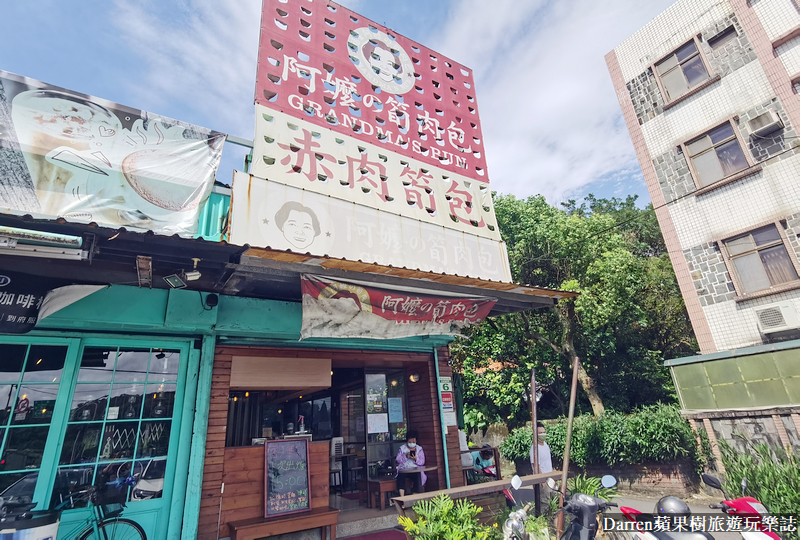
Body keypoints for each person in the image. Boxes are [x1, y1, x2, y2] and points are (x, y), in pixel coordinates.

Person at [530, 422, 553, 510]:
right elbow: (536, 466)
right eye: (540, 433)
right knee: (544, 503)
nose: (543, 434)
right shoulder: (534, 448)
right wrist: (542, 481)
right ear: (535, 434)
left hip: (550, 479)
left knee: (552, 502)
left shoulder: (546, 445)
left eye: (544, 432)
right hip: (543, 481)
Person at [396, 429, 426, 494]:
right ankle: (402, 497)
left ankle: (414, 495)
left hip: (415, 469)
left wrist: (416, 459)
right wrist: (405, 456)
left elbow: (422, 461)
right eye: (411, 439)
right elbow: (398, 459)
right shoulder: (402, 448)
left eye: (414, 440)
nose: (412, 441)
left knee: (418, 476)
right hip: (404, 469)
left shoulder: (419, 449)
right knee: (401, 476)